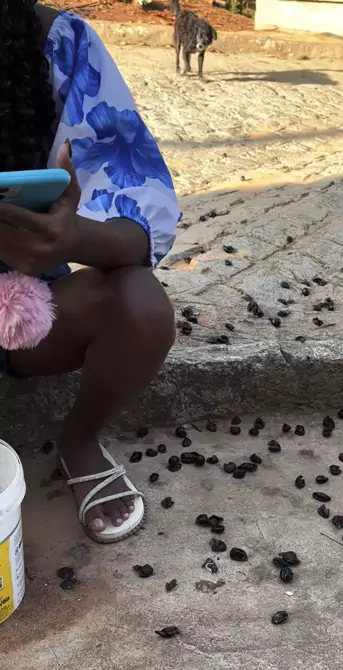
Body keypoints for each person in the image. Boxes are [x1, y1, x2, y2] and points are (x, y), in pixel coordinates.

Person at [0, 0, 180, 543]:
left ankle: (79, 440)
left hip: (16, 311)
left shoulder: (54, 41)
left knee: (138, 304)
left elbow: (141, 210)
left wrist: (73, 237)